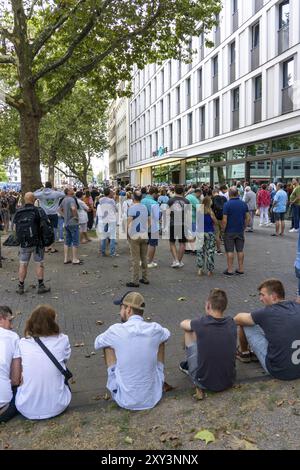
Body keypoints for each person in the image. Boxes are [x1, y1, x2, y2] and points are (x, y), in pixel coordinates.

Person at [94, 292, 171, 410]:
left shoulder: (115, 330)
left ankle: (114, 385)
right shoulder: (155, 329)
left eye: (121, 308)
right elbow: (167, 334)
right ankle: (159, 375)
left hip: (124, 399)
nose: (120, 312)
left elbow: (97, 343)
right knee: (160, 341)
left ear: (128, 310)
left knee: (108, 346)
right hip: (153, 397)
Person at [235, 279, 300, 380]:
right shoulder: (297, 306)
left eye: (262, 295)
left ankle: (244, 354)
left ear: (273, 296)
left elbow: (238, 319)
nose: (260, 299)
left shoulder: (267, 312)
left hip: (280, 371)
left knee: (247, 324)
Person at [15, 304, 72, 420]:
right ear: (53, 322)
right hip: (58, 406)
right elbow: (65, 359)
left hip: (25, 408)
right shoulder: (63, 339)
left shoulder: (22, 343)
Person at [179, 289, 236, 400]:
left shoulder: (201, 323)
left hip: (204, 382)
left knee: (188, 331)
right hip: (229, 380)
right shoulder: (231, 322)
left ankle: (190, 366)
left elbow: (182, 324)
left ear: (208, 305)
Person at [14, 192, 51, 294]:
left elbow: (15, 227)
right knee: (39, 263)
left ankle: (20, 286)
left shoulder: (19, 211)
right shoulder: (38, 210)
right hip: (37, 243)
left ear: (24, 199)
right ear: (34, 199)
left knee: (23, 264)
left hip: (24, 243)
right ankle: (41, 286)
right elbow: (46, 225)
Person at [0, 306, 21, 423]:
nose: (12, 326)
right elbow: (15, 380)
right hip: (3, 409)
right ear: (1, 319)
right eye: (10, 321)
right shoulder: (13, 337)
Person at [222, 187, 250, 276]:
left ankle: (230, 270)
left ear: (229, 194)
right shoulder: (243, 204)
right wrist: (244, 227)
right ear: (237, 193)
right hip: (239, 230)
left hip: (229, 231)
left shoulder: (227, 204)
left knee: (229, 251)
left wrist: (223, 229)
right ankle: (241, 268)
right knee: (240, 250)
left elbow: (224, 220)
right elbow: (248, 218)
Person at [34, 182, 65, 252]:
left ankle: (46, 247)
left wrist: (40, 189)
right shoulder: (55, 193)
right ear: (51, 186)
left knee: (44, 230)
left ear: (45, 186)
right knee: (54, 230)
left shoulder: (41, 193)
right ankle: (52, 247)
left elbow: (33, 194)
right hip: (54, 214)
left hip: (44, 214)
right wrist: (57, 190)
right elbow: (64, 194)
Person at [127, 191, 149, 287]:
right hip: (144, 234)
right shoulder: (144, 207)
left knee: (135, 259)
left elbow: (129, 222)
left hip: (135, 235)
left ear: (133, 197)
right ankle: (145, 278)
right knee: (144, 257)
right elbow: (149, 220)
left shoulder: (132, 208)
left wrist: (128, 234)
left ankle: (135, 281)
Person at [168, 185, 191, 268]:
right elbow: (188, 215)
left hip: (173, 223)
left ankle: (176, 261)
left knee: (172, 242)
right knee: (182, 243)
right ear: (183, 191)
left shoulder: (170, 200)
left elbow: (167, 213)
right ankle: (179, 261)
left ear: (174, 190)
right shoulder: (187, 201)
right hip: (183, 224)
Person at [59, 188, 82, 264]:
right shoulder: (72, 199)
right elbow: (73, 208)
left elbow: (59, 210)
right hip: (73, 223)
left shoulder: (64, 199)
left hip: (66, 223)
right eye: (71, 189)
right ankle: (74, 259)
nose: (73, 189)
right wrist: (76, 217)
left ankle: (65, 259)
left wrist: (64, 216)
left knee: (67, 241)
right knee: (75, 240)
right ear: (68, 192)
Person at [196, 196, 217, 277]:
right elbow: (215, 222)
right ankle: (209, 270)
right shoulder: (211, 212)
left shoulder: (199, 211)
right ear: (209, 202)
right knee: (210, 251)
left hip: (200, 233)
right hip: (210, 233)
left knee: (200, 251)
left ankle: (200, 269)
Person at [141, 187, 160, 268]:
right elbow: (157, 216)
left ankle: (142, 261)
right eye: (157, 194)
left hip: (143, 225)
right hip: (153, 226)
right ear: (154, 193)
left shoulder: (142, 200)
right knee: (152, 244)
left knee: (143, 244)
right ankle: (149, 262)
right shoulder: (154, 203)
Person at [96, 187, 118, 256]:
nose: (112, 193)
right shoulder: (111, 201)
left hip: (104, 219)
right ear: (109, 193)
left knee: (103, 235)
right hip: (111, 219)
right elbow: (115, 209)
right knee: (112, 236)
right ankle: (112, 252)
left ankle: (103, 252)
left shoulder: (101, 200)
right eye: (111, 192)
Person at [211, 189, 227, 254]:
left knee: (217, 234)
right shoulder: (224, 198)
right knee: (224, 233)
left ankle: (218, 249)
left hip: (216, 218)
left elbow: (211, 210)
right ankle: (228, 249)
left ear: (213, 193)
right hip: (224, 217)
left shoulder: (212, 199)